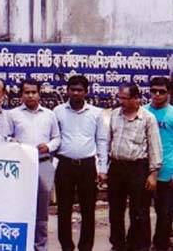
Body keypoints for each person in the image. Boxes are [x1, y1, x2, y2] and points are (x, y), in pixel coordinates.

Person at [54, 75, 108, 251]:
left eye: (79, 90)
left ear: (86, 92)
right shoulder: (58, 111)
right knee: (63, 209)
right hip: (65, 165)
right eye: (72, 89)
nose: (76, 93)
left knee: (88, 209)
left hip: (87, 166)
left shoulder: (96, 113)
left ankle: (86, 247)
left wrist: (102, 168)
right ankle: (66, 246)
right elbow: (55, 138)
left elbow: (101, 141)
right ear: (67, 90)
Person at [7, 78, 60, 251]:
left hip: (43, 164)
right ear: (21, 95)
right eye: (26, 92)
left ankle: (40, 246)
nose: (30, 95)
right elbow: (6, 137)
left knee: (42, 209)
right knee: (18, 204)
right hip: (21, 167)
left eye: (33, 92)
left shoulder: (49, 114)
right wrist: (14, 143)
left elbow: (57, 138)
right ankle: (21, 244)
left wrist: (49, 146)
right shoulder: (13, 115)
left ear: (39, 94)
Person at [107, 83, 162, 251]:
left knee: (139, 212)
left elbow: (155, 147)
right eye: (120, 98)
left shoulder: (147, 118)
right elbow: (109, 140)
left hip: (138, 168)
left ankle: (140, 246)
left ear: (136, 99)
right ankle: (118, 245)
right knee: (115, 210)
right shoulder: (115, 115)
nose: (121, 101)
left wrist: (153, 174)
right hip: (116, 167)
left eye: (125, 98)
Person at [144, 77, 173, 251]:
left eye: (161, 91)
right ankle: (141, 244)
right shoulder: (143, 112)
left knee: (164, 213)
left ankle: (160, 245)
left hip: (167, 171)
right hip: (143, 171)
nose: (157, 94)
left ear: (168, 92)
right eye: (153, 90)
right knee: (140, 212)